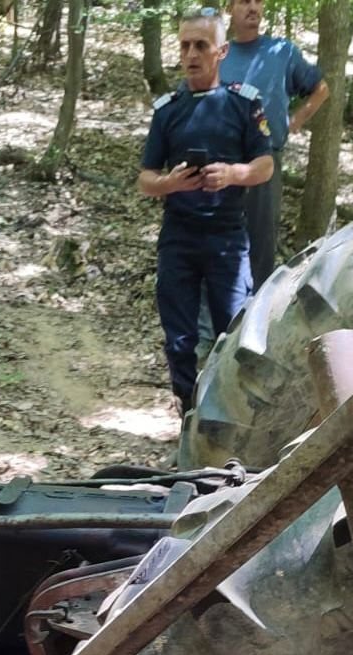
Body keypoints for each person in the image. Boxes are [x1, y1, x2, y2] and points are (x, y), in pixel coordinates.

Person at [139, 8, 274, 414]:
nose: (191, 54)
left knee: (231, 333)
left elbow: (265, 165)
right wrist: (169, 184)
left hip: (227, 238)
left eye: (201, 45)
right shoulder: (168, 109)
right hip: (178, 238)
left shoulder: (243, 103)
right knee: (178, 338)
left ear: (221, 51)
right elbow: (145, 178)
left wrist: (233, 173)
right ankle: (188, 410)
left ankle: (231, 415)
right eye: (184, 46)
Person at [221, 0, 328, 287]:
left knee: (261, 241)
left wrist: (297, 119)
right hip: (223, 162)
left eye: (258, 1)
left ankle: (255, 313)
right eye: (244, 1)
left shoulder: (281, 52)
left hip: (266, 161)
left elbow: (320, 89)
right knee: (218, 239)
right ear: (230, 7)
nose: (253, 7)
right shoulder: (219, 54)